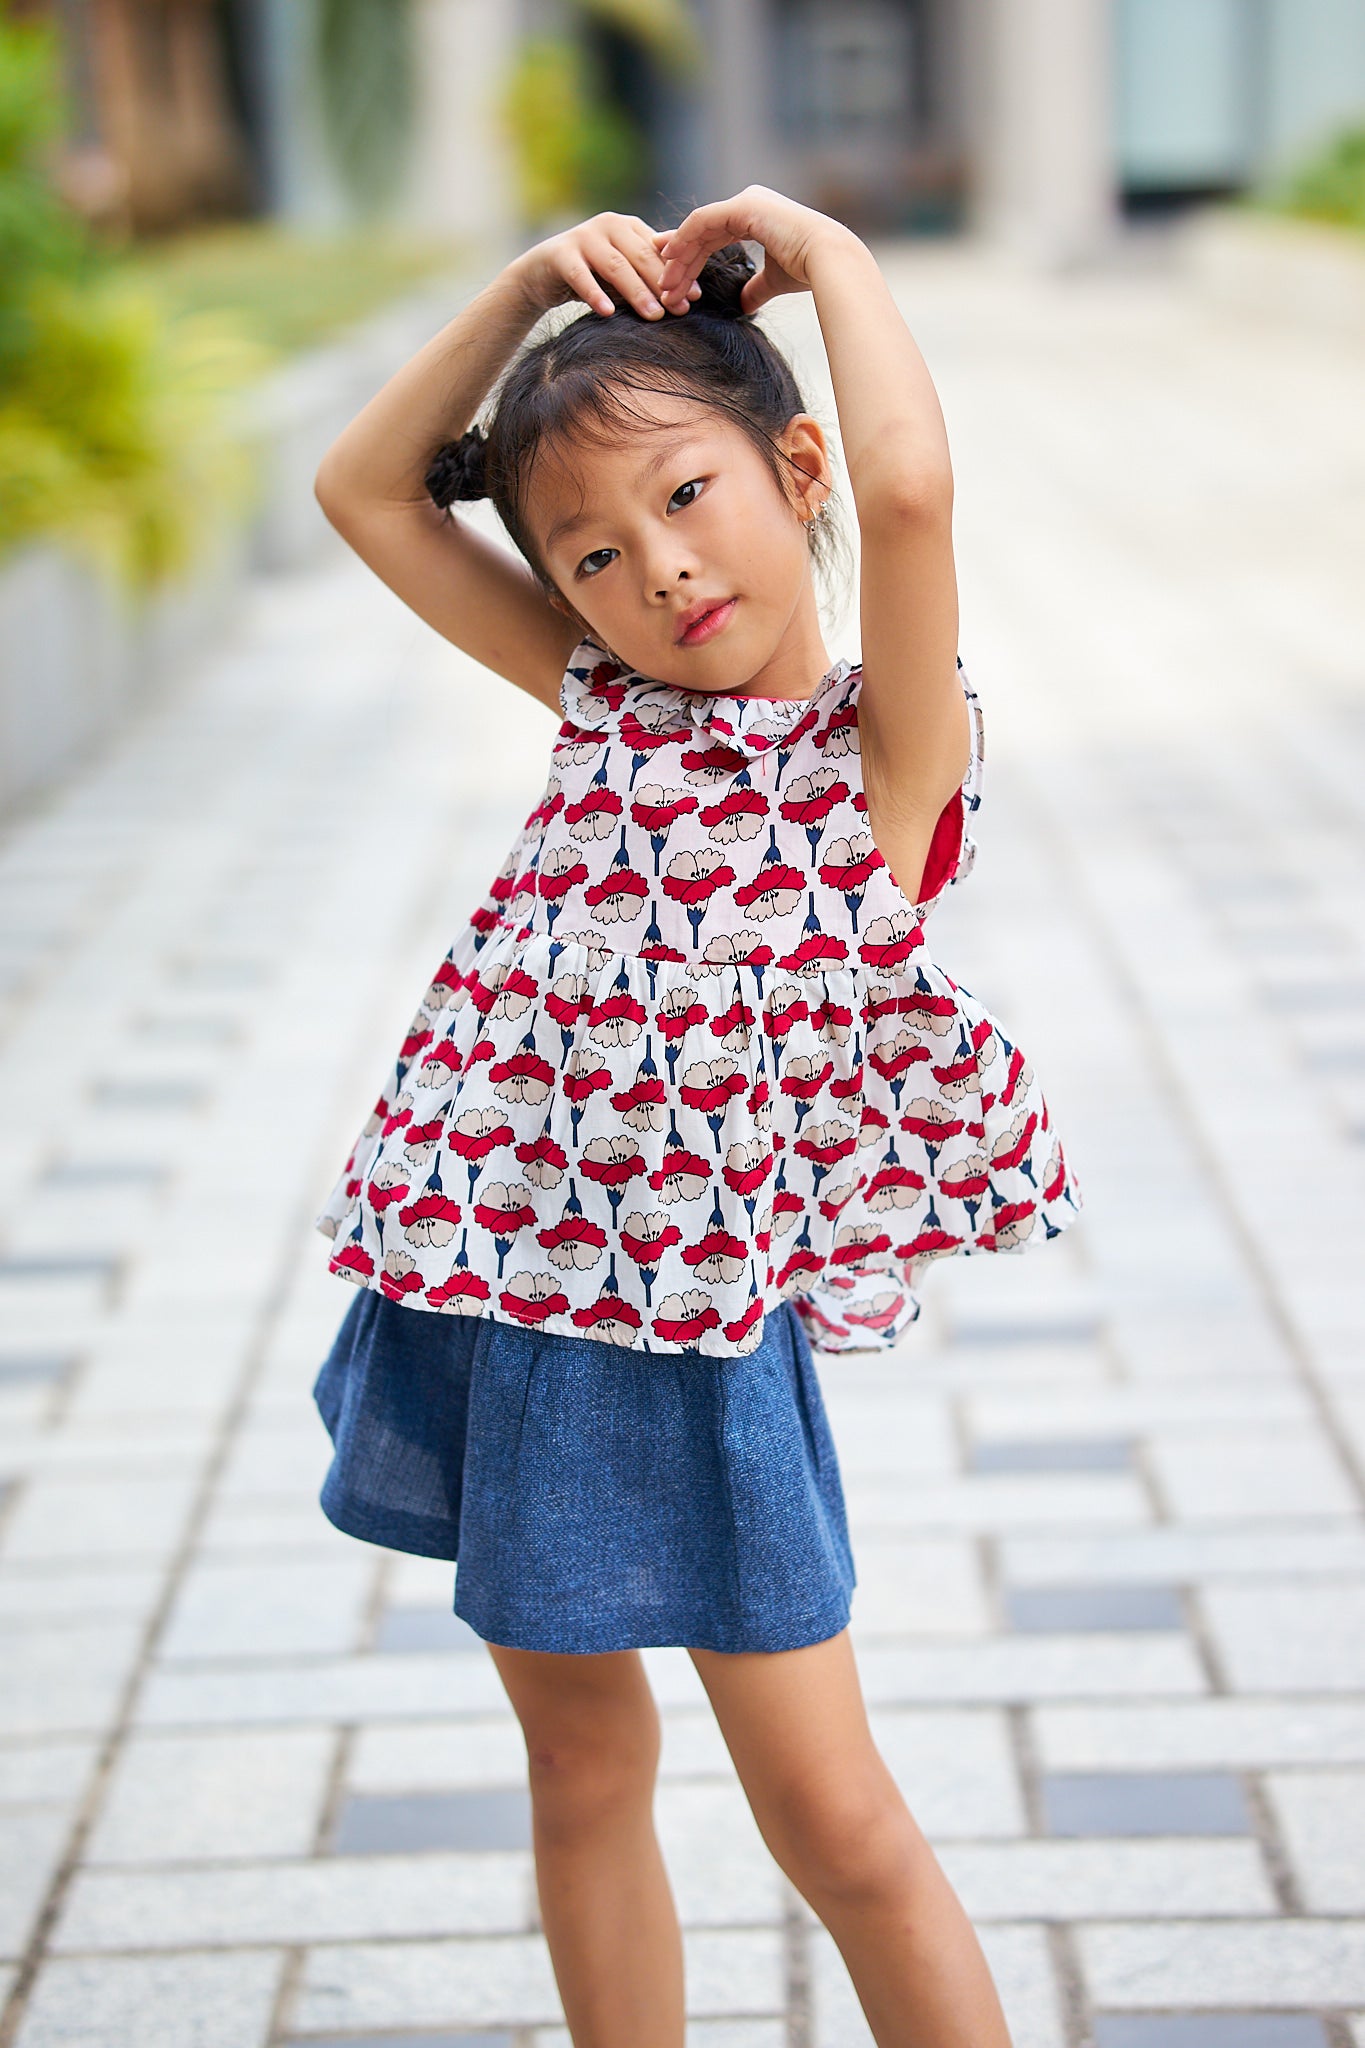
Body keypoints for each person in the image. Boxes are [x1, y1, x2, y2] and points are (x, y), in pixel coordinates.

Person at [310, 186, 1082, 2047]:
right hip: (501, 1296)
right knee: (579, 1768)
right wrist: (521, 286)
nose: (654, 571)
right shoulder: (603, 699)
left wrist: (832, 262)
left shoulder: (879, 760)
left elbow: (911, 496)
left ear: (792, 468)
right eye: (589, 553)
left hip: (698, 1343)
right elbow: (364, 492)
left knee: (834, 1821)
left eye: (685, 495)